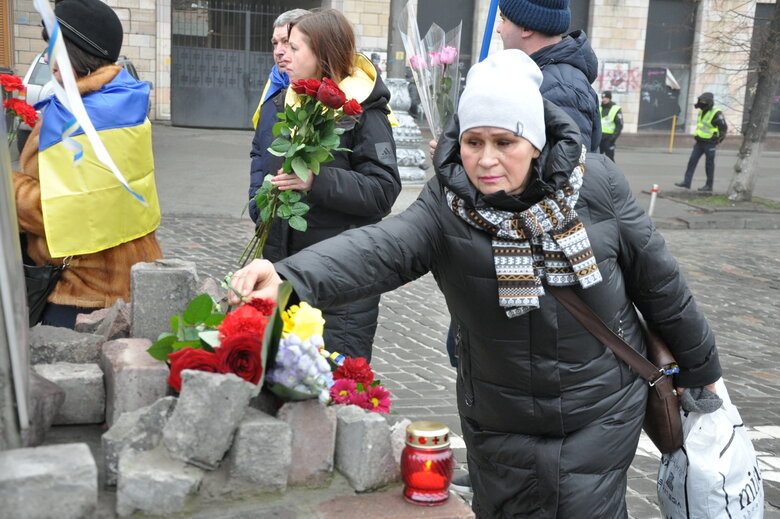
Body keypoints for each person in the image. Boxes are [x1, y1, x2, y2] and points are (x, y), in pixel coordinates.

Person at [229, 50, 722, 517]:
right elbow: (384, 247)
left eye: (504, 142)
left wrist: (704, 375)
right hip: (496, 412)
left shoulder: (597, 185)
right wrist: (289, 275)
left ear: (535, 142)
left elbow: (662, 287)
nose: (486, 160)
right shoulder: (448, 201)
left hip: (597, 409)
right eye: (473, 141)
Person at [255, 8, 401, 361]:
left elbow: (383, 191)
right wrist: (260, 212)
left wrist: (315, 181)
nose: (283, 54)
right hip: (284, 263)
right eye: (282, 45)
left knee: (333, 380)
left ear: (323, 53)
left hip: (343, 275)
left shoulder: (365, 112)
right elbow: (259, 163)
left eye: (294, 47)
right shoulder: (282, 103)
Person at [13, 0, 162, 328]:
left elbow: (55, 209)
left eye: (54, 46)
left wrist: (9, 186)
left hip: (85, 288)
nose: (48, 57)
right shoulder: (115, 101)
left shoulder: (88, 116)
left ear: (76, 53)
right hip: (118, 280)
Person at [497, 0, 601, 152]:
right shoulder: (539, 75)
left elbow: (570, 169)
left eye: (504, 20)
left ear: (526, 27)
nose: (499, 29)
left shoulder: (561, 89)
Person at [249, 8, 310, 222]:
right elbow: (259, 152)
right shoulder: (273, 89)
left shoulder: (329, 98)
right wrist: (256, 203)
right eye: (275, 43)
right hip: (272, 224)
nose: (279, 51)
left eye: (287, 43)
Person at [675, 92, 727, 192]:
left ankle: (709, 185)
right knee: (692, 162)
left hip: (710, 143)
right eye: (701, 101)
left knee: (709, 165)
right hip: (699, 142)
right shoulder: (701, 111)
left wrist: (717, 141)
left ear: (709, 102)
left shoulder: (716, 112)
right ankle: (686, 182)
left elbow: (723, 128)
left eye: (704, 101)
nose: (702, 103)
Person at [599, 90, 623, 161]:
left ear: (610, 98)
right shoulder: (599, 108)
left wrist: (612, 138)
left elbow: (619, 125)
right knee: (597, 159)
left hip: (609, 138)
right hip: (599, 138)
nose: (604, 99)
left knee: (610, 159)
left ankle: (611, 172)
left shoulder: (615, 109)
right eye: (602, 98)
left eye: (605, 97)